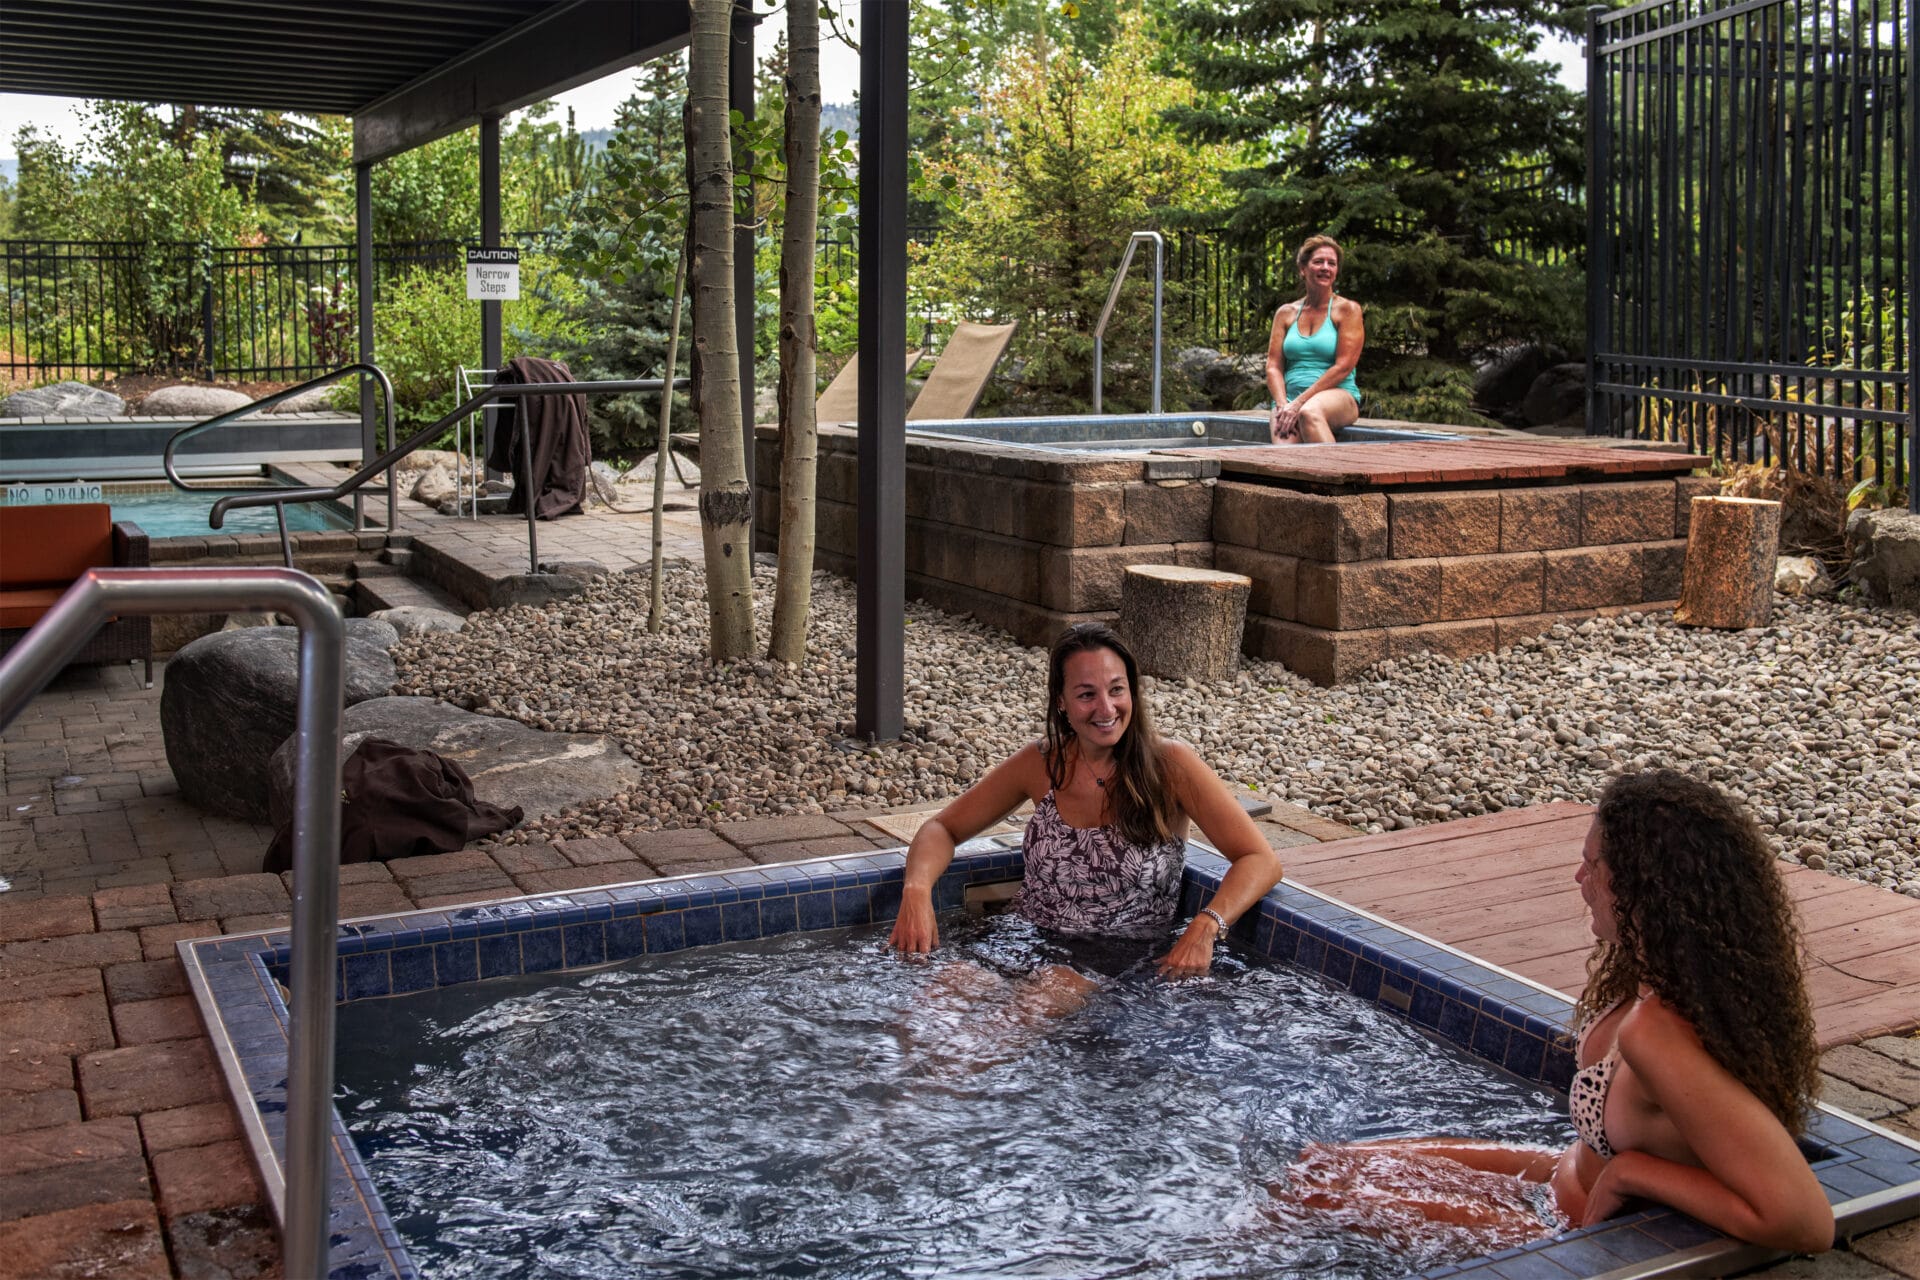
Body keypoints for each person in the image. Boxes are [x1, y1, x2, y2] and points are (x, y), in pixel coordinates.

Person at [1276, 770, 1835, 1255]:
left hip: (1560, 1234)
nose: (1579, 879)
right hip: (1551, 1175)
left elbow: (1804, 1221)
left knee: (1311, 1195)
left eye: (1593, 866)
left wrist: (1632, 1171)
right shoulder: (1655, 976)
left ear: (1646, 890)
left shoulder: (1661, 1032)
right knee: (1322, 1163)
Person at [888, 623, 1284, 982]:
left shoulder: (1170, 766)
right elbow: (942, 828)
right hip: (1022, 938)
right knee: (942, 991)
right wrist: (917, 893)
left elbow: (1259, 859)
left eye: (1116, 689)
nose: (1106, 709)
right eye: (1086, 695)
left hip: (1118, 958)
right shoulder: (1042, 763)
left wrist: (1206, 927)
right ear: (1061, 701)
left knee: (1037, 1000)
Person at [1265, 235, 1364, 444]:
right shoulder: (1286, 313)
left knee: (1309, 413)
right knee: (1285, 458)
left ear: (1336, 271)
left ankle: (1340, 475)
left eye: (1332, 263)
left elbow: (1344, 366)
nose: (1325, 267)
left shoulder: (1347, 310)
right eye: (1318, 262)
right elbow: (1273, 366)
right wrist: (1283, 405)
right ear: (1303, 268)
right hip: (1289, 401)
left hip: (1338, 396)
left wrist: (1299, 403)